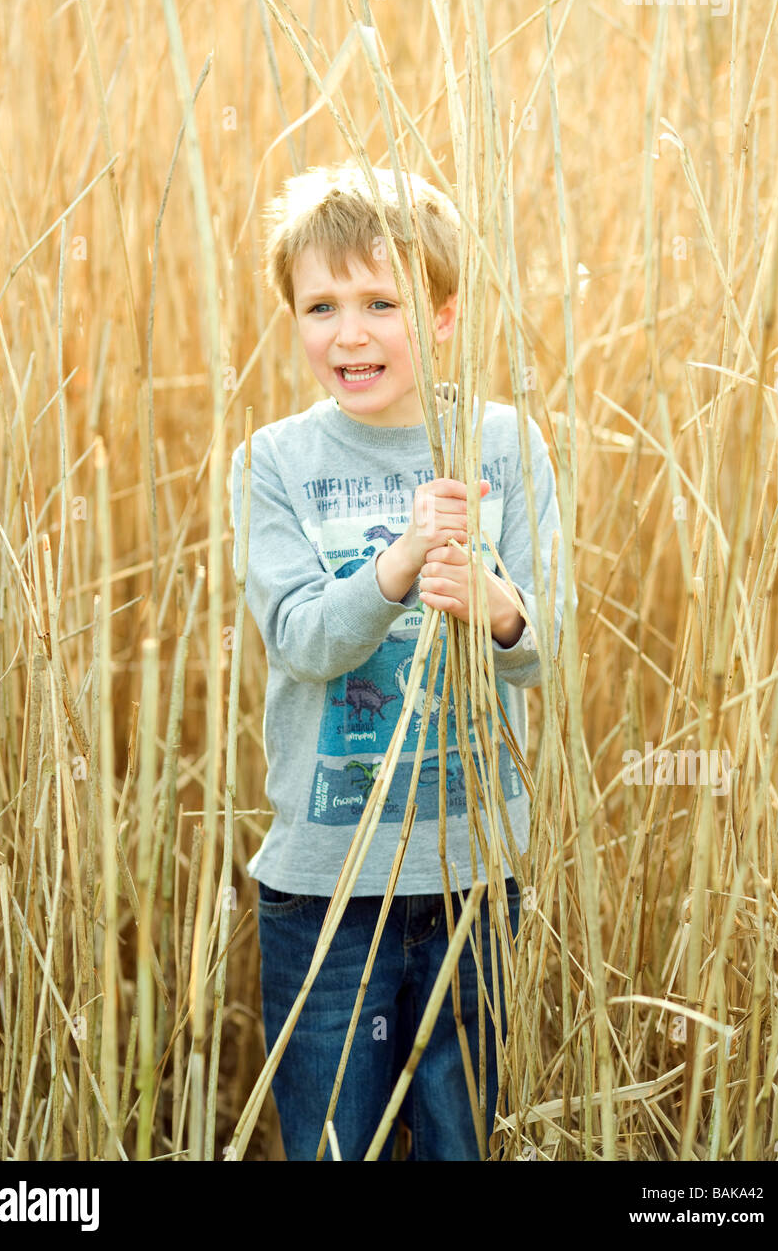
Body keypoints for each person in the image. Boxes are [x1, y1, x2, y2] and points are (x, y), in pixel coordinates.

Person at [228, 159, 573, 1160]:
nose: (348, 333)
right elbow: (298, 636)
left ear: (445, 312)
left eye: (382, 302)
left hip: (472, 881)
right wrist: (399, 565)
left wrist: (498, 608)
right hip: (326, 890)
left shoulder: (502, 444)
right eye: (320, 305)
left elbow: (547, 647)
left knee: (459, 1140)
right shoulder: (275, 461)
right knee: (339, 1142)